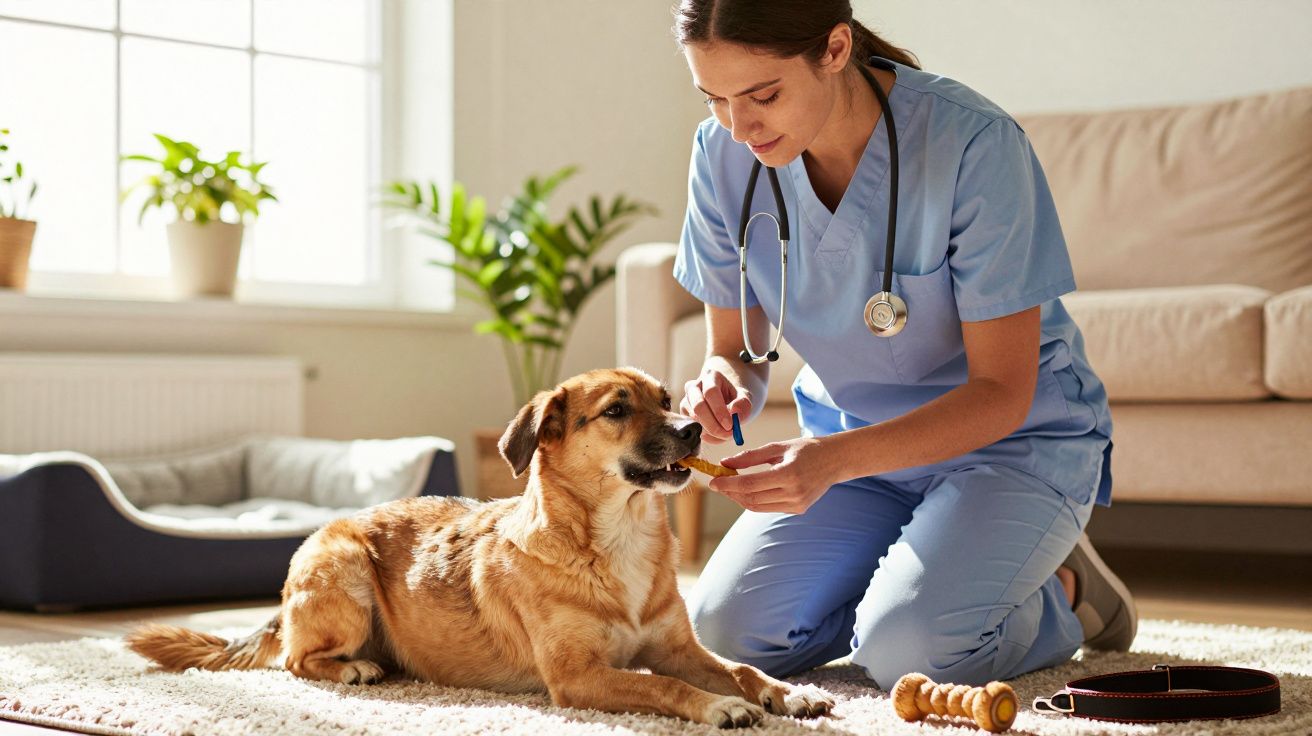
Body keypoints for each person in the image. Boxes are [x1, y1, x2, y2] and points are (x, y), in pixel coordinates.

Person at [670, 0, 1137, 690]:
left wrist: (829, 463)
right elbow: (735, 349)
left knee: (908, 656)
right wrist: (723, 382)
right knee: (726, 635)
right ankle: (926, 582)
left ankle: (1065, 592)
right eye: (714, 98)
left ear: (835, 49)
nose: (739, 128)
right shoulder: (721, 156)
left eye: (763, 96)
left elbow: (1003, 393)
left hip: (1010, 447)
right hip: (853, 447)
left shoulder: (974, 144)